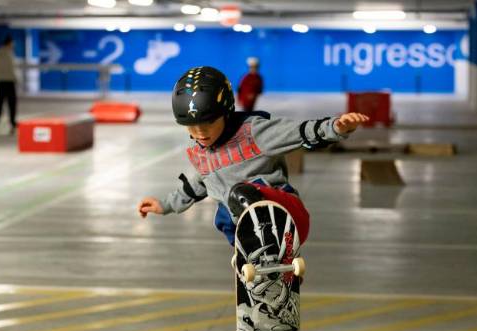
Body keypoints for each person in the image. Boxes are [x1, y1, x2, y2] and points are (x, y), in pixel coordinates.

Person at [137, 66, 368, 247]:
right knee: (224, 212)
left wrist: (337, 127)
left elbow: (299, 131)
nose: (200, 133)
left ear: (226, 113)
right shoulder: (202, 152)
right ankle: (252, 262)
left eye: (208, 123)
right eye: (191, 127)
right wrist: (165, 205)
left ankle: (274, 251)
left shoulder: (254, 132)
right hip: (246, 229)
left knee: (240, 194)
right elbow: (196, 186)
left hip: (284, 213)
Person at [0, 35, 18, 134]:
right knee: (12, 104)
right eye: (13, 43)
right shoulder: (9, 55)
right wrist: (16, 80)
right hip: (9, 82)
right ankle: (12, 124)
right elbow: (12, 69)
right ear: (9, 43)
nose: (13, 45)